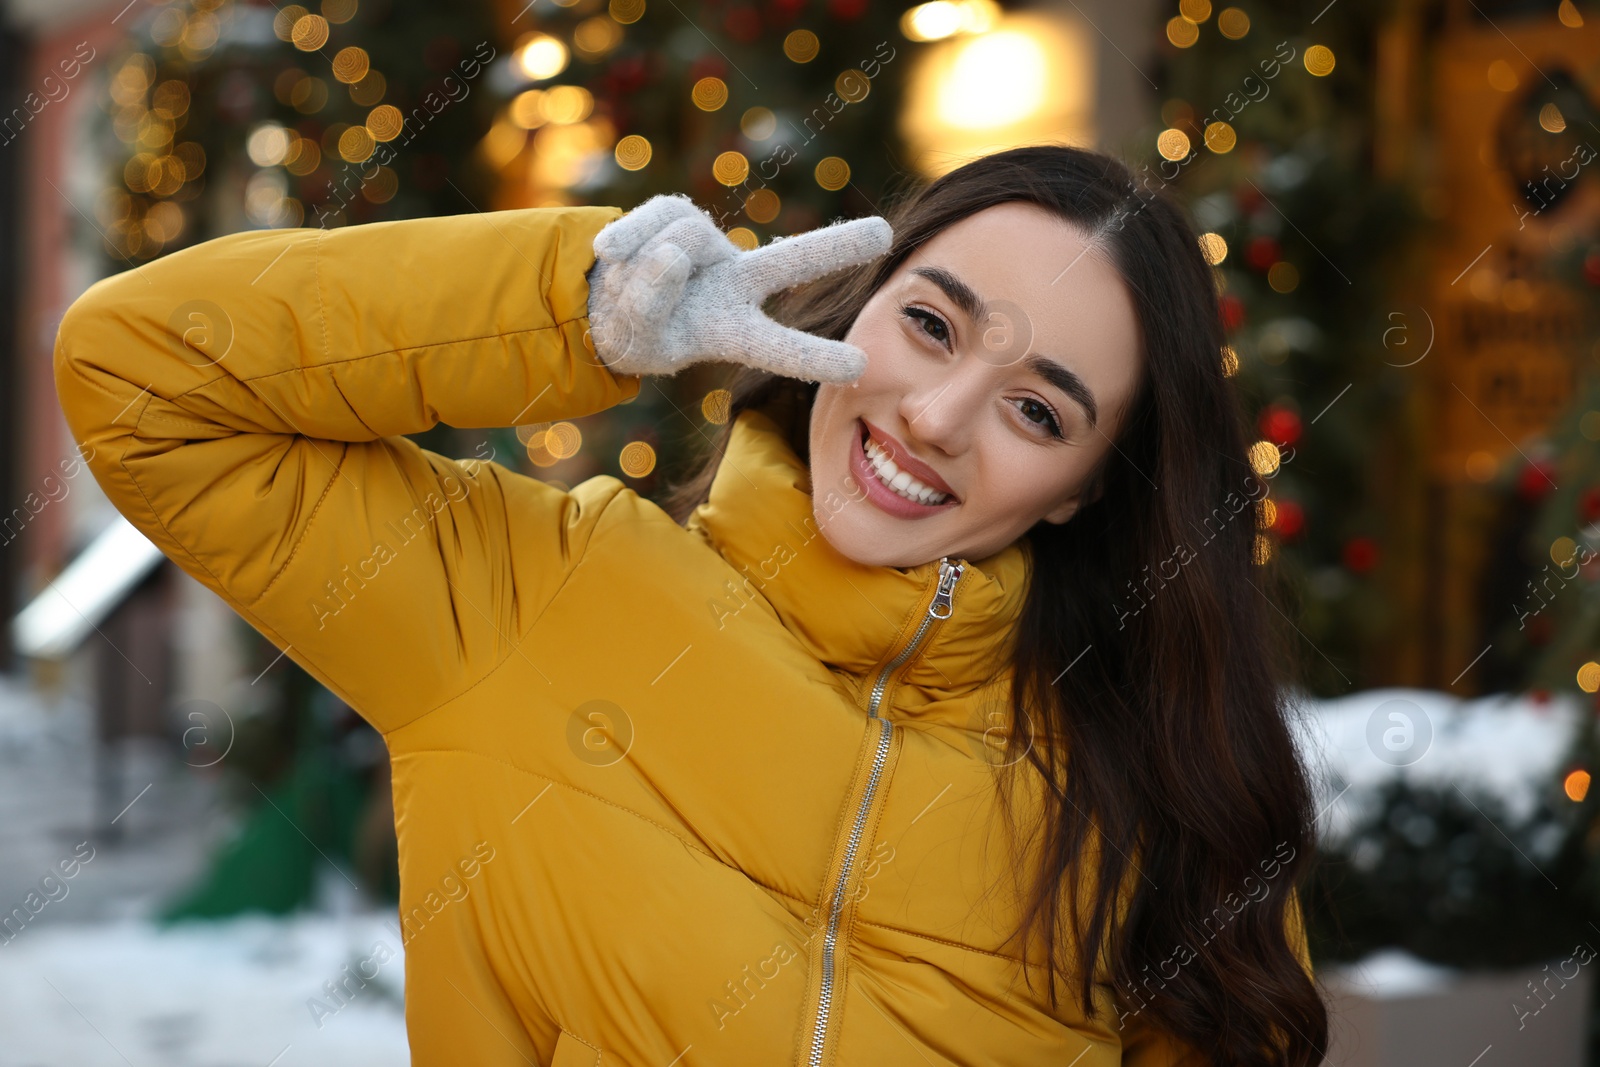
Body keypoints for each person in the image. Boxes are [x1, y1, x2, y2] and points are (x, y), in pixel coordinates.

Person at [54, 142, 1326, 1065]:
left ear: (1084, 492)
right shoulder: (526, 597)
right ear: (862, 300)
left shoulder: (1146, 782)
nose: (936, 418)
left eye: (1037, 409)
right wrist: (576, 311)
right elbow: (143, 379)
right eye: (932, 325)